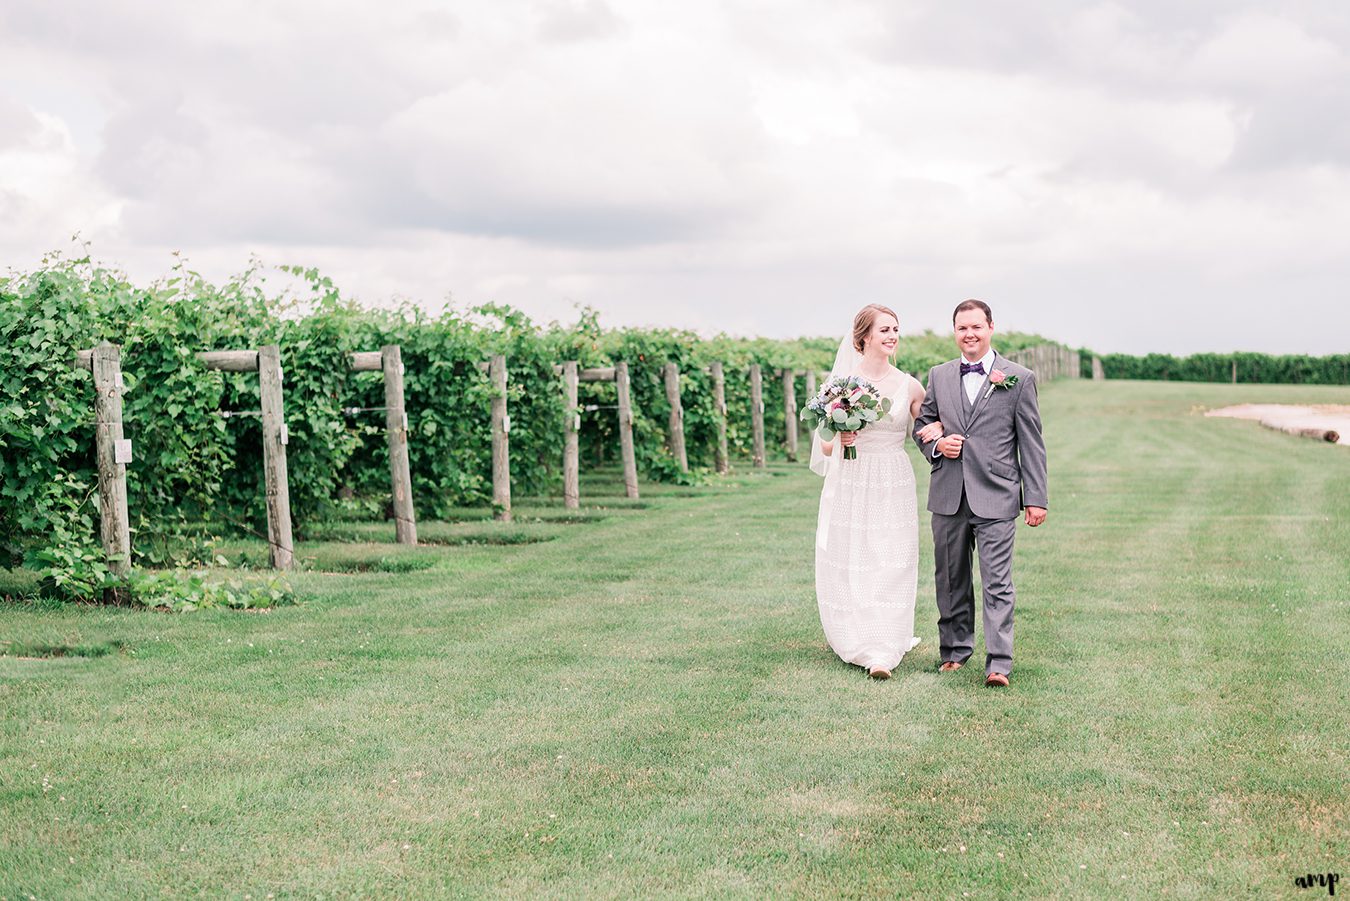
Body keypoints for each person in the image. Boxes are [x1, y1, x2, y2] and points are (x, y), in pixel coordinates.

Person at [912, 299, 1048, 688]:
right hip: (949, 494)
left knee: (997, 582)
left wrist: (1035, 497)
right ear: (954, 332)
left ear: (991, 328)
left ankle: (999, 664)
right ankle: (954, 652)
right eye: (961, 328)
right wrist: (938, 446)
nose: (969, 334)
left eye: (976, 326)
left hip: (997, 494)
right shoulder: (938, 375)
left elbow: (1032, 443)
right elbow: (923, 425)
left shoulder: (1018, 378)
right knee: (950, 578)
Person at [811, 304, 944, 680]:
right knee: (856, 556)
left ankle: (884, 648)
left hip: (893, 479)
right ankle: (856, 639)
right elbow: (822, 446)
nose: (891, 336)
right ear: (864, 336)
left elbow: (928, 428)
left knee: (892, 559)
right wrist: (841, 434)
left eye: (895, 330)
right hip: (853, 476)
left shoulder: (909, 385)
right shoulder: (840, 385)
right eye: (884, 330)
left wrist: (940, 433)